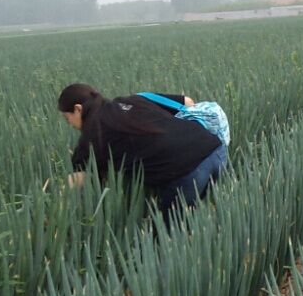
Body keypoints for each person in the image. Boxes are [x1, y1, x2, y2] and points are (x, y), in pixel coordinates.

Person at [57, 83, 228, 224]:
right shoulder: (134, 100)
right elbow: (188, 102)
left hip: (187, 171)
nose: (69, 123)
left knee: (167, 239)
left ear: (78, 109)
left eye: (67, 118)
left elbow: (80, 177)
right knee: (195, 220)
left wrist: (54, 194)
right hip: (216, 150)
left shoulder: (92, 138)